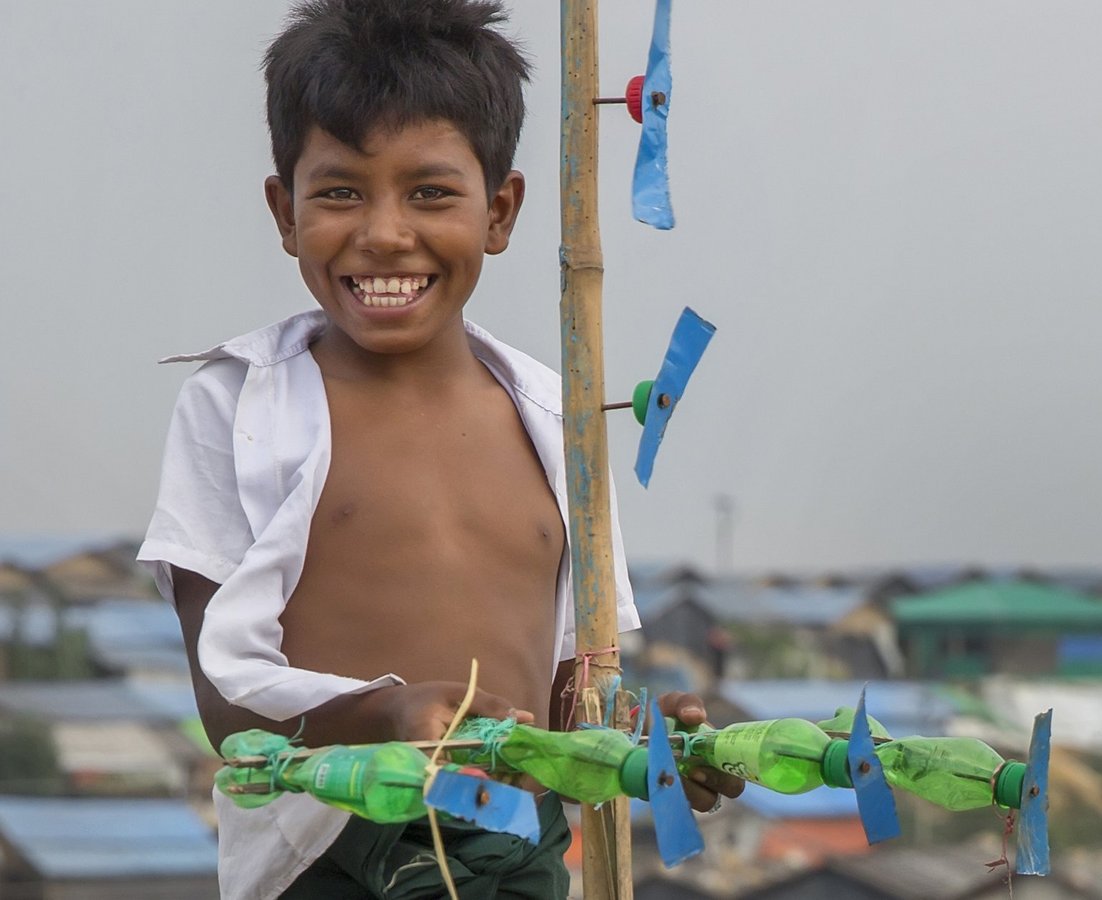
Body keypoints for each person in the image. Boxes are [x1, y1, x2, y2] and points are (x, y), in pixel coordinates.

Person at [136, 1, 742, 897]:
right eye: (340, 190)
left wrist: (653, 742)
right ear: (284, 209)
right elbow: (228, 706)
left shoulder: (561, 418)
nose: (384, 232)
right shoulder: (235, 403)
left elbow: (574, 691)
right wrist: (389, 716)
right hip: (323, 856)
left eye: (431, 192)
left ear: (500, 211)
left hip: (522, 853)